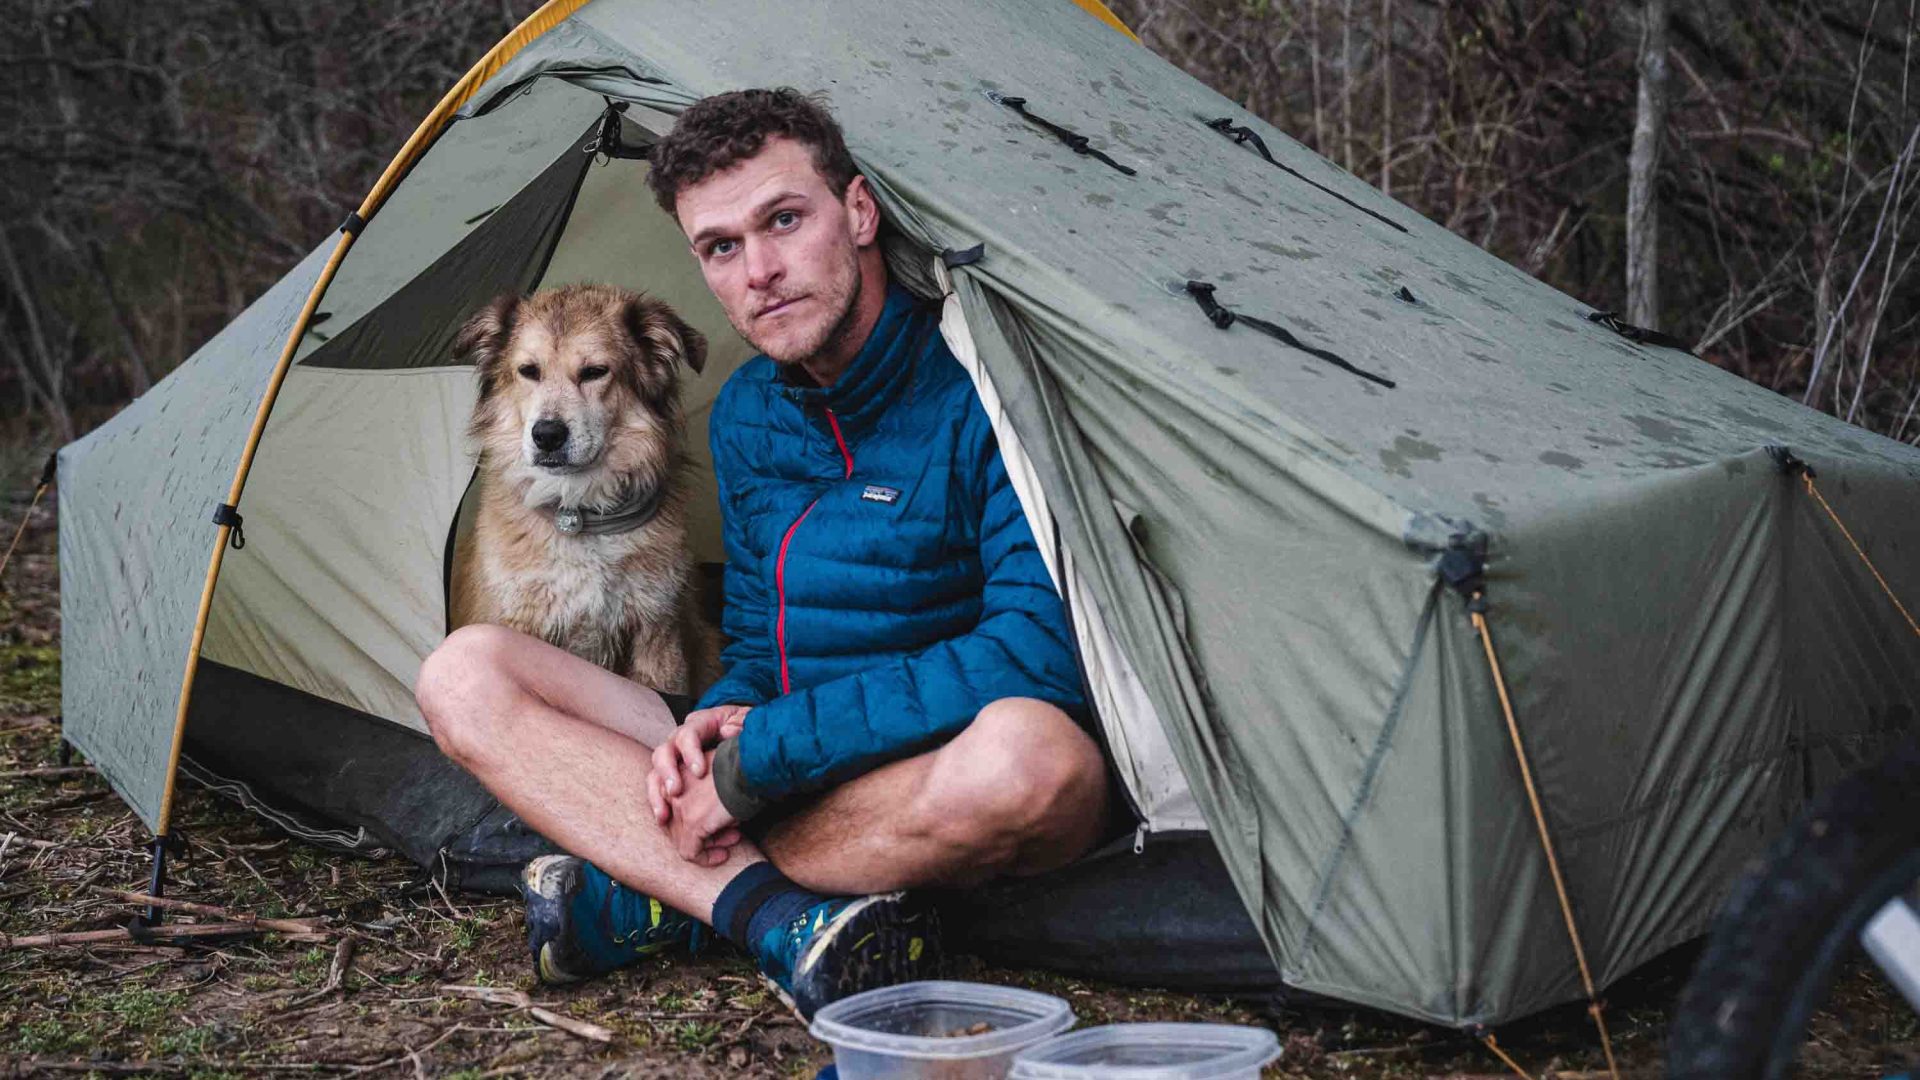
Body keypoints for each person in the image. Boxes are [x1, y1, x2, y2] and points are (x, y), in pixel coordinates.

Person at [413, 88, 1115, 1019]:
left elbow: (1035, 653)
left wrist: (765, 759)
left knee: (1039, 761)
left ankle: (659, 899)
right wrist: (724, 718)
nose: (762, 272)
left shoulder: (978, 389)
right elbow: (753, 637)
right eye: (721, 247)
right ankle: (778, 914)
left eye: (784, 220)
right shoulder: (746, 413)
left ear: (858, 212)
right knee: (466, 672)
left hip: (922, 760)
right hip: (779, 756)